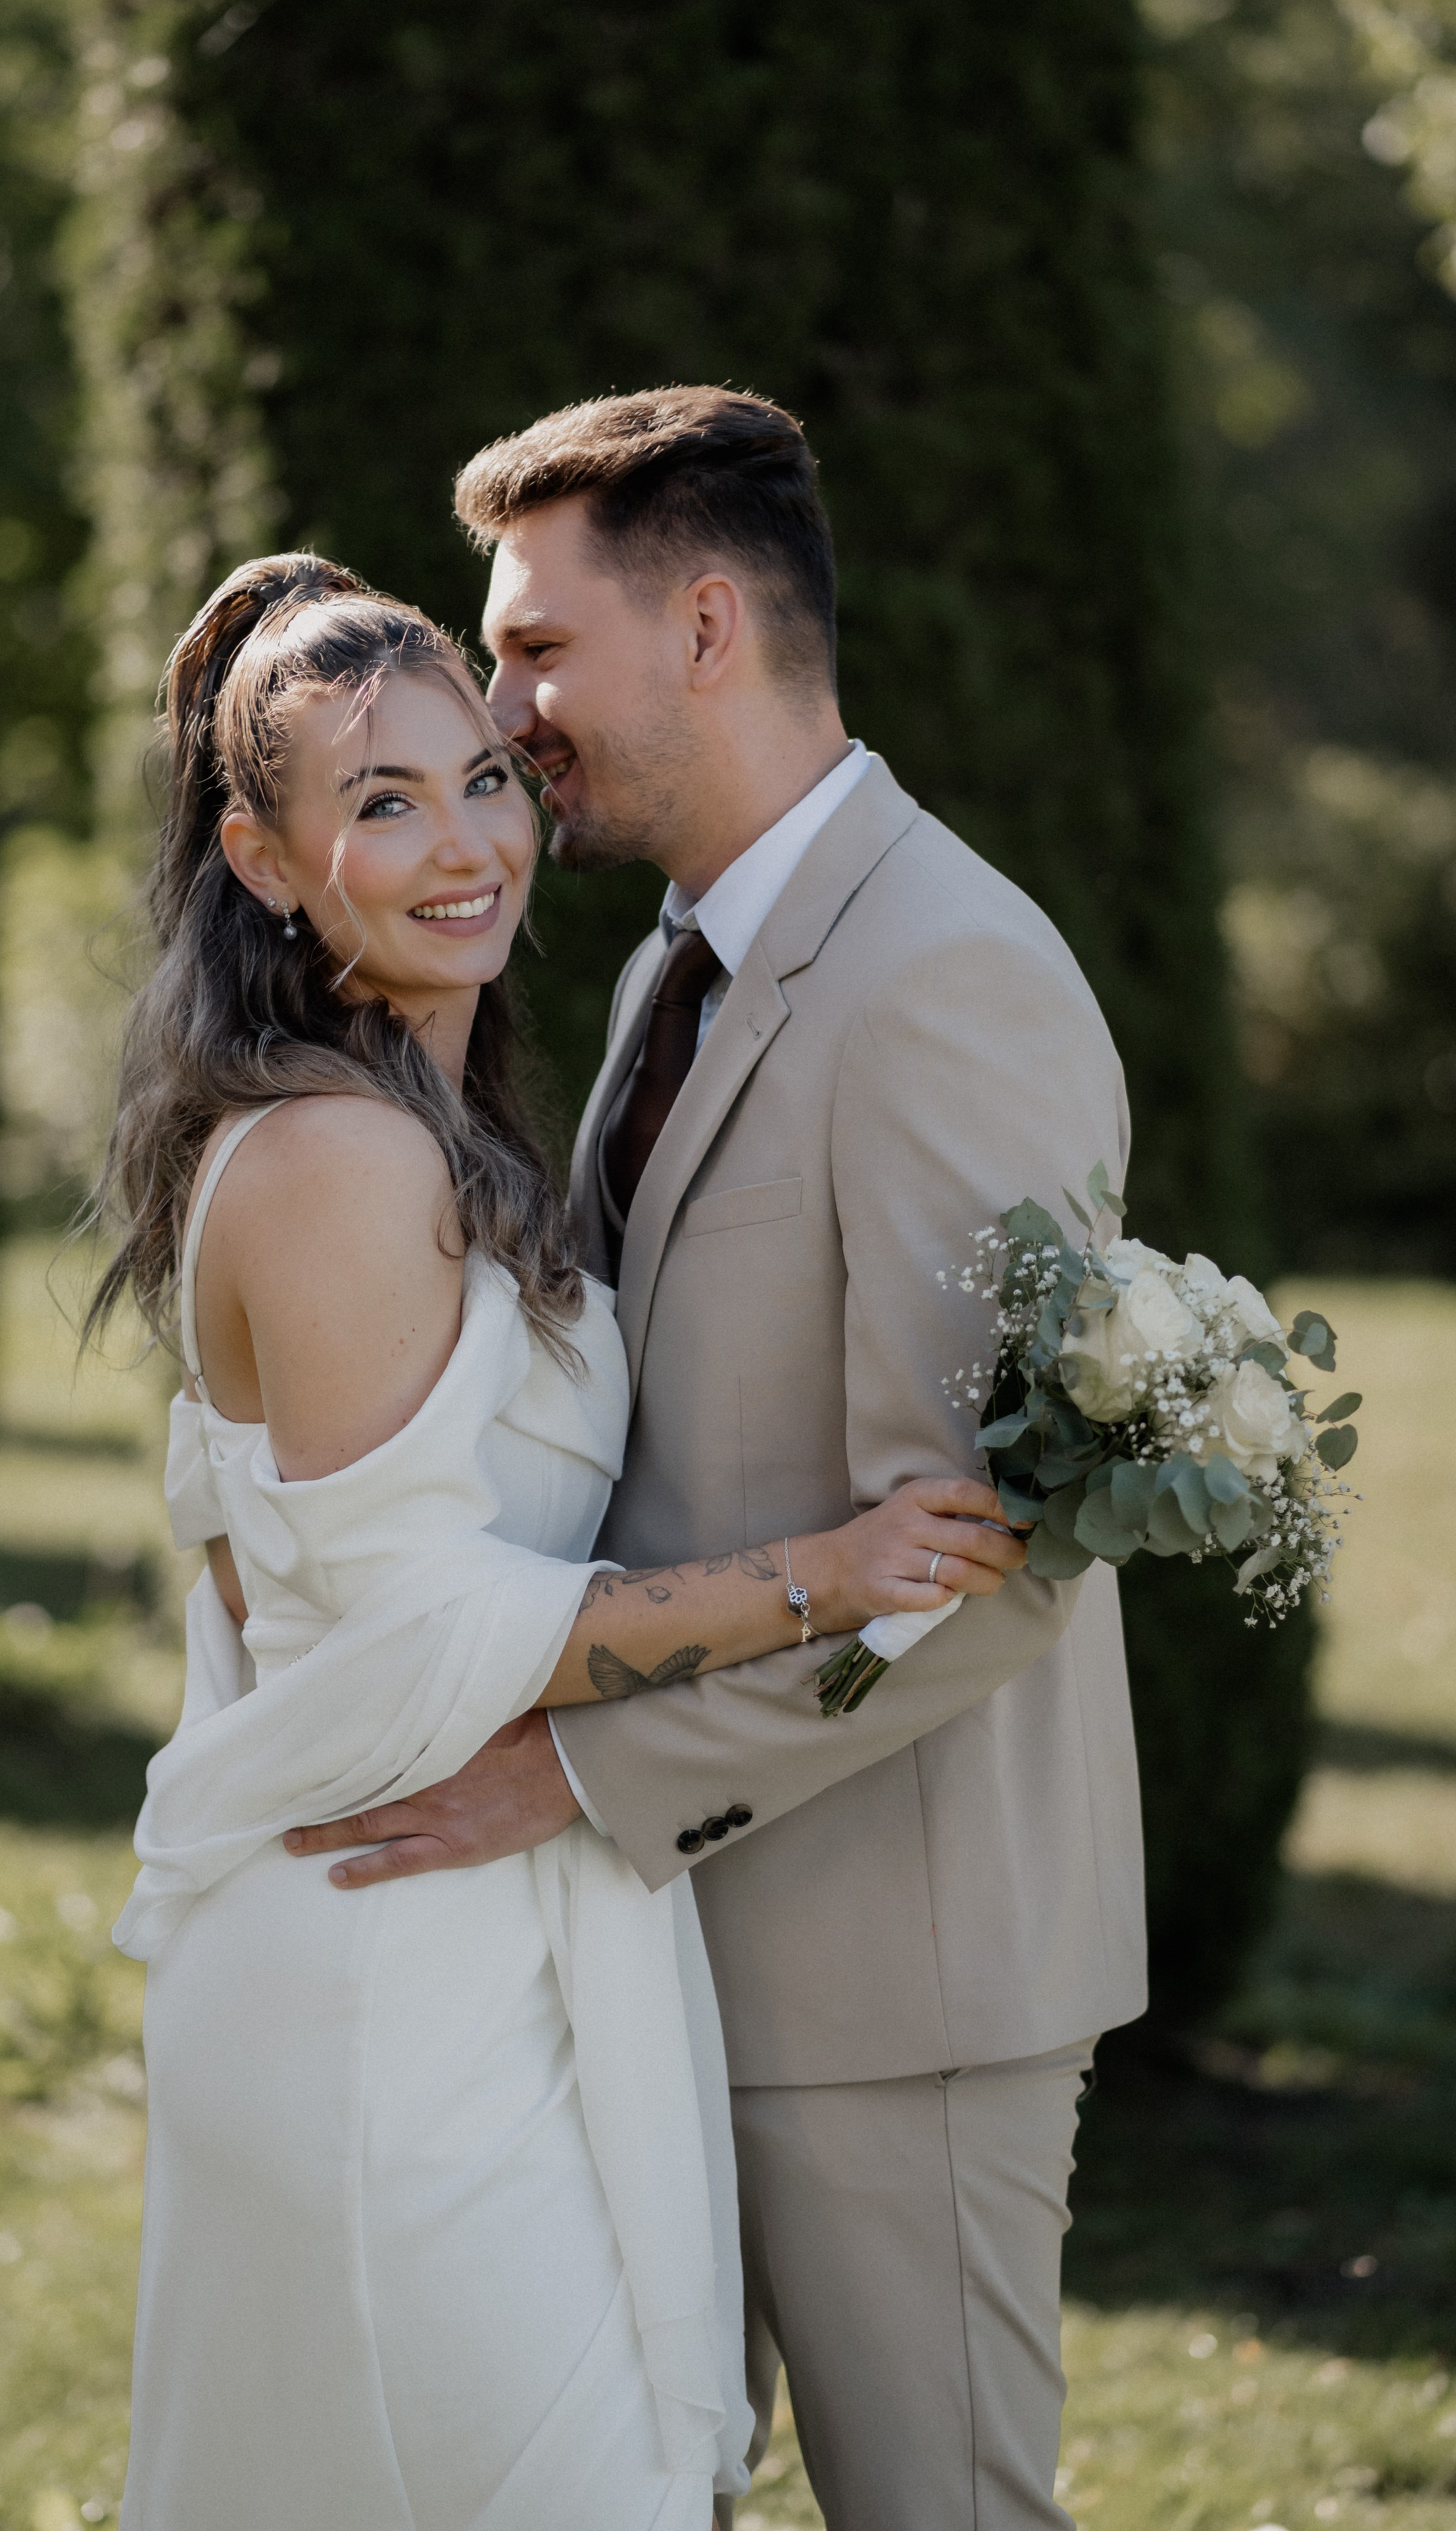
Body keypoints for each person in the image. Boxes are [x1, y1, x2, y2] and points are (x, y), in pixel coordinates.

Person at [286, 390, 1150, 2531]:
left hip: (897, 1974)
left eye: (536, 651)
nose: (503, 710)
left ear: (700, 628)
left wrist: (573, 1781)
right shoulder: (687, 956)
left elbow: (993, 1562)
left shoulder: (945, 977)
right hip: (680, 1943)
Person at [92, 553, 1026, 2531]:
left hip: (497, 1925)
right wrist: (827, 1577)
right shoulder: (337, 1159)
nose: (467, 845)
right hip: (379, 1963)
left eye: (481, 780)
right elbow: (423, 1621)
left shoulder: (451, 1126)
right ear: (263, 862)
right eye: (383, 804)